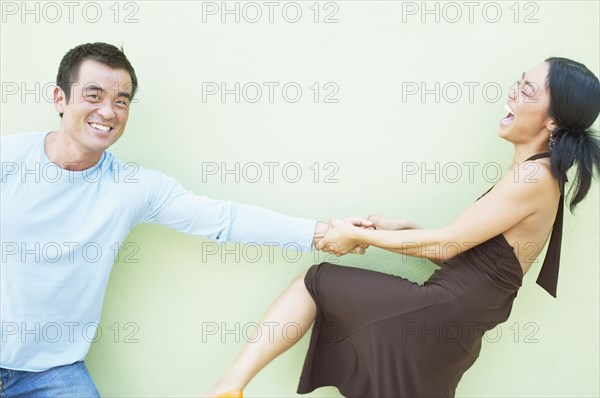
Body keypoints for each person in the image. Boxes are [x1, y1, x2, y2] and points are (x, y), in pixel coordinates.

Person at [205, 58, 600, 398]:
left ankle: (228, 387)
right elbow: (475, 249)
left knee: (316, 281)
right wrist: (403, 229)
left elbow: (447, 246)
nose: (512, 93)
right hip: (455, 326)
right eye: (518, 82)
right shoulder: (539, 174)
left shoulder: (534, 176)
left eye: (527, 90)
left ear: (553, 119)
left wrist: (358, 235)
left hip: (442, 314)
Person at [0, 42, 370, 396]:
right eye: (93, 96)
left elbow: (225, 219)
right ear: (60, 99)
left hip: (55, 371)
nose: (109, 111)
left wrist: (323, 233)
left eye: (121, 101)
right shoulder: (9, 157)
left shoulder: (133, 187)